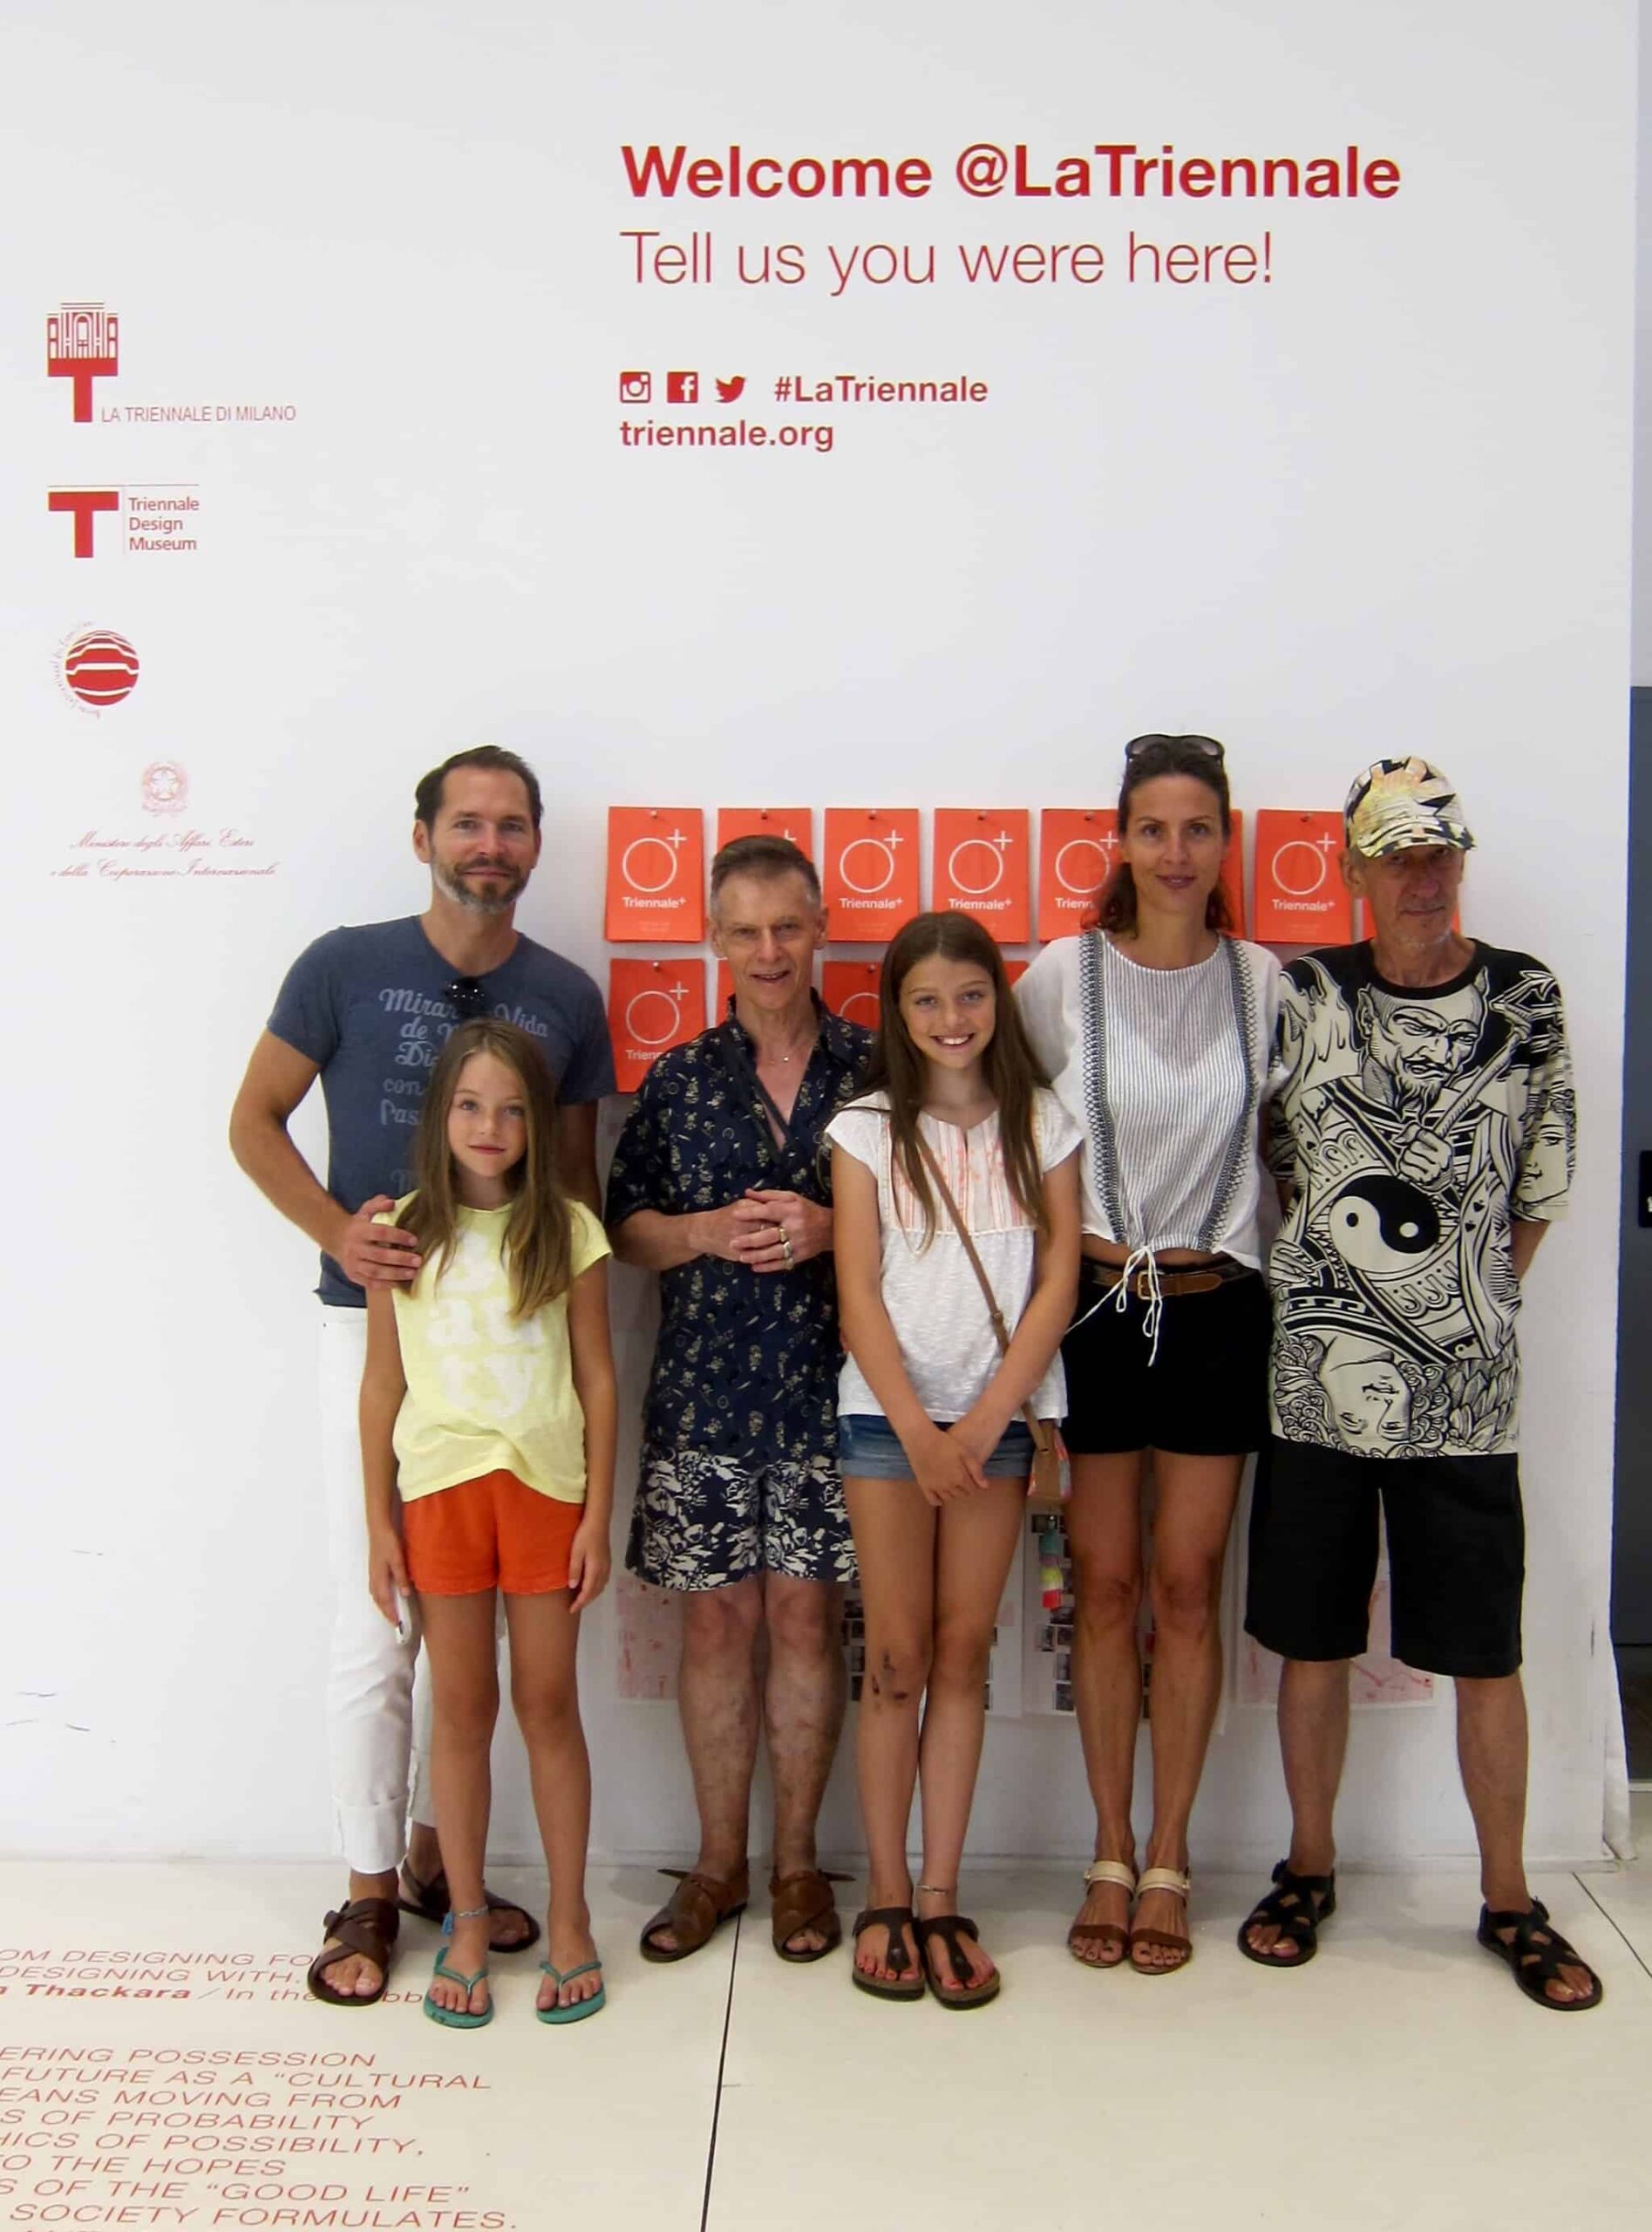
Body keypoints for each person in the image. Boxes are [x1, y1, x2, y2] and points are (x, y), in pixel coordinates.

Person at [228, 745, 615, 2005]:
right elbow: (252, 1121)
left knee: (499, 1671)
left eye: (511, 825)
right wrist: (338, 1235)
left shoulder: (564, 993)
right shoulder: (341, 964)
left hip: (518, 1368)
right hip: (379, 1324)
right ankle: (367, 1885)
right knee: (378, 1618)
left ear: (535, 844)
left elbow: (572, 1183)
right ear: (423, 837)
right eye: (466, 822)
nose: (487, 844)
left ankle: (451, 1872)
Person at [1240, 755, 1601, 2011]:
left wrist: (1460, 1306)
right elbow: (1278, 1162)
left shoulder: (1523, 997)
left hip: (1463, 1395)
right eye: (1396, 856)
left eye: (1439, 852)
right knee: (1311, 1639)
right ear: (1353, 869)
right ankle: (1307, 1867)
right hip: (1314, 1383)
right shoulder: (1307, 995)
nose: (1422, 877)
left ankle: (1507, 1897)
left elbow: (1539, 1183)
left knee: (1483, 1652)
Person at [1017, 734, 1280, 1975]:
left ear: (1224, 843)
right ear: (1119, 842)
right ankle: (1107, 1851)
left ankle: (1169, 1855)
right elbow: (1004, 1131)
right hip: (1095, 1306)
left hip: (1218, 1305)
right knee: (1104, 1588)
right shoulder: (1058, 978)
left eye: (1197, 829)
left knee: (1186, 1590)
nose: (1175, 853)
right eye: (1153, 829)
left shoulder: (1263, 983)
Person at [606, 836, 872, 1964]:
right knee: (714, 1625)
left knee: (807, 1619)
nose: (768, 951)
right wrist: (706, 1231)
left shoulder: (877, 1070)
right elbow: (624, 1230)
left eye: (787, 927)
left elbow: (930, 1215)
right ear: (712, 940)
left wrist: (834, 1227)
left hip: (832, 1392)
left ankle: (798, 1865)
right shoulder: (676, 1079)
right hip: (702, 1393)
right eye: (745, 931)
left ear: (819, 930)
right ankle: (715, 1865)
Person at [832, 912, 1080, 2006]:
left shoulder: (1044, 1121)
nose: (949, 1018)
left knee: (962, 1655)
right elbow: (855, 1293)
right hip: (885, 1427)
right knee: (893, 1660)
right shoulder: (863, 1130)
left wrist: (984, 1422)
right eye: (925, 999)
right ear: (895, 1010)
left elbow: (1057, 1278)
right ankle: (884, 1890)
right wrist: (920, 1430)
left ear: (998, 1001)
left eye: (970, 995)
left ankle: (940, 1892)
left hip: (997, 1427)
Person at [362, 1020, 616, 2027]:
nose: (490, 1125)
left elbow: (597, 1380)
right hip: (439, 1493)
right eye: (470, 1104)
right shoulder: (400, 1230)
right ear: (440, 1113)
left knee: (547, 1706)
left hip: (546, 1491)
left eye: (512, 1109)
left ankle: (570, 1920)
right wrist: (378, 1522)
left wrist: (596, 1513)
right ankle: (463, 1921)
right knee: (460, 1711)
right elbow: (381, 1385)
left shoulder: (569, 1230)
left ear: (537, 1124)